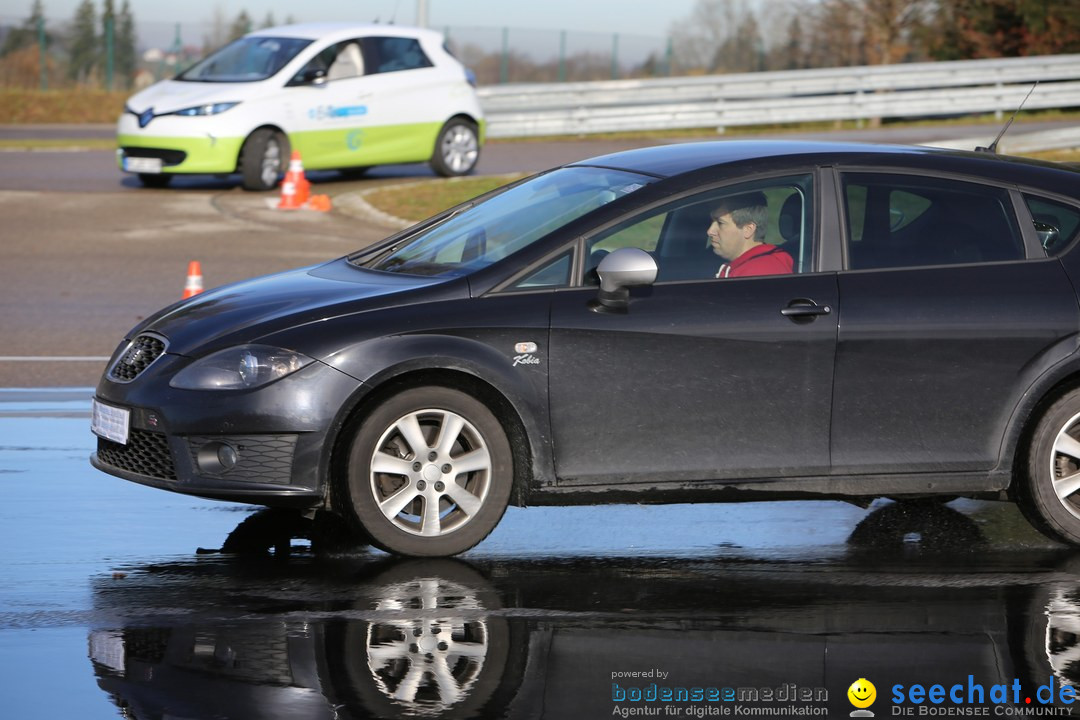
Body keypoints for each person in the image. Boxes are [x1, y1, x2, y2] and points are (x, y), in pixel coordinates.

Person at [707, 191, 793, 278]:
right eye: (712, 222)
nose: (710, 231)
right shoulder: (750, 266)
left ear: (748, 229)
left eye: (720, 223)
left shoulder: (759, 272)